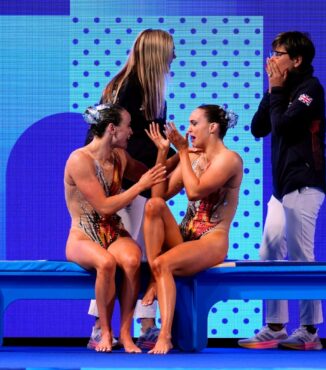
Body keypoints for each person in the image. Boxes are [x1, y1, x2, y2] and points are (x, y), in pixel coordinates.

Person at [85, 28, 177, 350]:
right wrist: (169, 159)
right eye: (170, 53)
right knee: (119, 253)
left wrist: (170, 156)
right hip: (121, 183)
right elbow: (114, 142)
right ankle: (102, 325)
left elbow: (145, 143)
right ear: (156, 55)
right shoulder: (127, 89)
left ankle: (145, 321)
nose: (174, 59)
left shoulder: (147, 90)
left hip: (136, 181)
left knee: (141, 253)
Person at [238, 31, 326, 351]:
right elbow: (259, 127)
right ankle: (275, 326)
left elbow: (286, 126)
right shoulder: (281, 89)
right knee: (269, 253)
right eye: (271, 52)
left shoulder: (310, 89)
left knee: (302, 257)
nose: (271, 58)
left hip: (305, 184)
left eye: (278, 53)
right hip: (281, 188)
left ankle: (309, 331)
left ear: (297, 60)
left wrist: (277, 89)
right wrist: (273, 90)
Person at [64, 103, 166, 352]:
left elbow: (152, 176)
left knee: (132, 260)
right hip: (83, 236)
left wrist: (168, 152)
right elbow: (104, 207)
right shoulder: (80, 160)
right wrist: (138, 186)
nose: (131, 132)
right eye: (128, 126)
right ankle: (105, 332)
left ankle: (126, 332)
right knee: (106, 263)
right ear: (112, 129)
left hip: (112, 232)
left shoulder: (119, 157)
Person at [143, 104, 243, 354]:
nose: (189, 130)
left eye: (194, 123)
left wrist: (184, 152)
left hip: (211, 240)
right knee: (153, 206)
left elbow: (195, 191)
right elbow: (159, 195)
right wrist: (163, 153)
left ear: (212, 127)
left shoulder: (229, 159)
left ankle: (164, 335)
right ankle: (156, 275)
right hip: (185, 236)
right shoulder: (193, 156)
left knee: (163, 264)